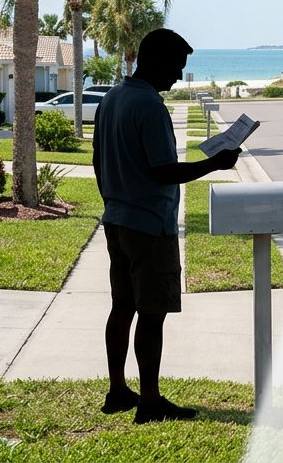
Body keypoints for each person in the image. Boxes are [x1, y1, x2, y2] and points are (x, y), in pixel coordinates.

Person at [92, 29, 240, 423]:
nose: (177, 76)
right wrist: (217, 163)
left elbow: (97, 160)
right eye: (176, 67)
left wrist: (112, 198)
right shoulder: (149, 106)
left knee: (121, 306)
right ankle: (151, 401)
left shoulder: (111, 99)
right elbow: (164, 170)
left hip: (116, 220)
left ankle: (118, 390)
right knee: (151, 312)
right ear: (154, 61)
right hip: (149, 226)